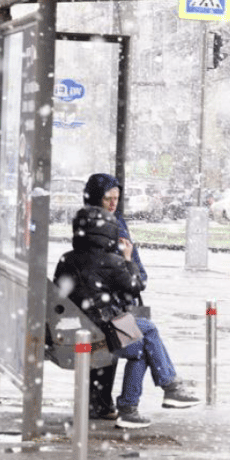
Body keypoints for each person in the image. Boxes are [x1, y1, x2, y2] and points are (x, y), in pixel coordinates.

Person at [53, 206, 199, 429]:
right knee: (146, 334)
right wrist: (128, 258)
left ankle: (156, 395)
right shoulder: (111, 261)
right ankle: (156, 394)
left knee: (141, 345)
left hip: (69, 335)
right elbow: (136, 285)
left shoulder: (67, 259)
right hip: (95, 338)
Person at [81, 173, 148, 422]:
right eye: (108, 198)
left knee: (139, 342)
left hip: (104, 310)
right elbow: (124, 276)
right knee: (143, 341)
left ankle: (105, 403)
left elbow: (133, 275)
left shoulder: (111, 224)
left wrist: (134, 270)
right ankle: (129, 405)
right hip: (107, 312)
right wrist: (130, 265)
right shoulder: (99, 230)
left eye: (117, 198)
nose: (113, 203)